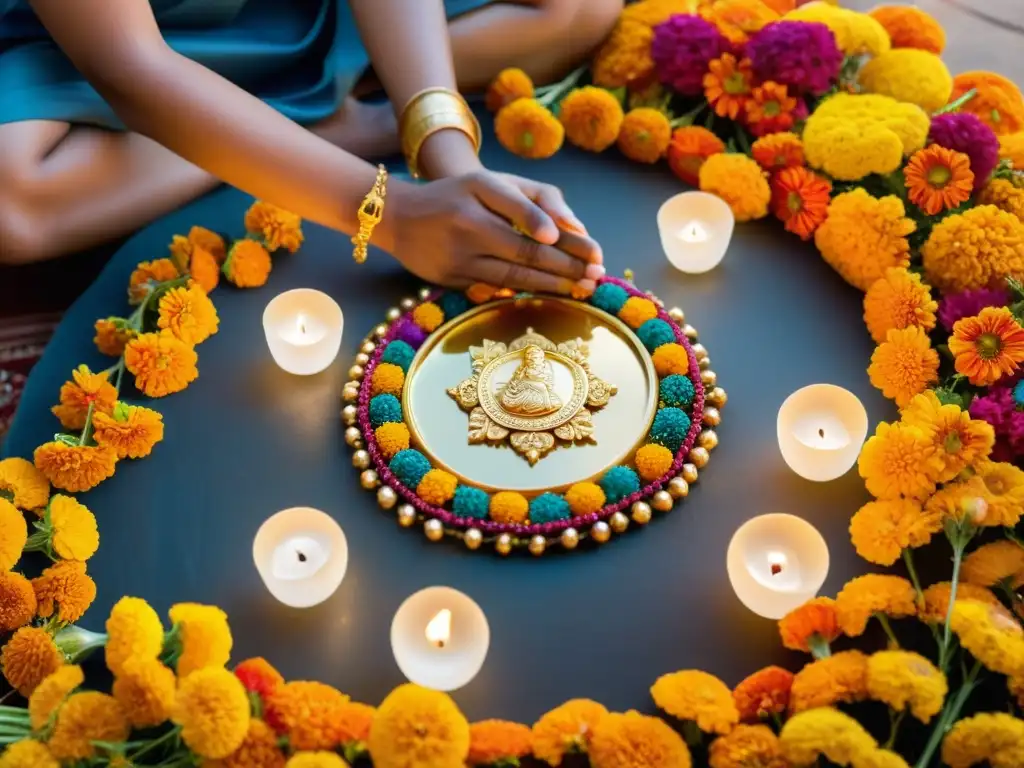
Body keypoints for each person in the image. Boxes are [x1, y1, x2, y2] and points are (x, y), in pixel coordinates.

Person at [0, 0, 622, 296]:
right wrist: (393, 213)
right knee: (14, 205)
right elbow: (130, 68)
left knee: (578, 8)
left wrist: (446, 148)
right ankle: (321, 124)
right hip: (93, 42)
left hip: (291, 12)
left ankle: (277, 120)